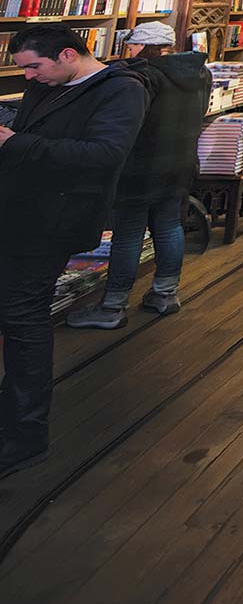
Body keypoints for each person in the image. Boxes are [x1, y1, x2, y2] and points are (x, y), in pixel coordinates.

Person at [0, 24, 148, 478]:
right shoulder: (50, 84)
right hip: (20, 213)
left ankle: (25, 435)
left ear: (68, 55)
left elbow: (105, 155)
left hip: (52, 222)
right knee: (14, 315)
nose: (27, 77)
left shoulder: (121, 90)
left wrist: (13, 142)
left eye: (34, 67)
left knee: (24, 318)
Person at [66, 22, 212, 330]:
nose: (128, 50)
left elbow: (128, 122)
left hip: (140, 167)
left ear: (141, 46)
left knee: (128, 235)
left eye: (131, 45)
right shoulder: (199, 73)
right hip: (180, 163)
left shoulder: (140, 78)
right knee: (170, 225)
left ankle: (113, 305)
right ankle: (165, 294)